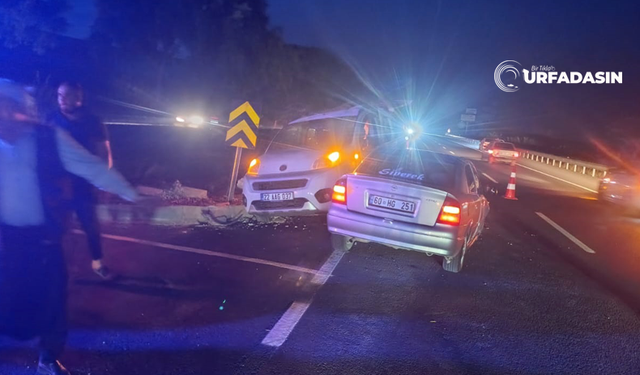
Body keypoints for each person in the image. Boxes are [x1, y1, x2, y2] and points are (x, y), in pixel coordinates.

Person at [0, 79, 138, 375]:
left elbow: (93, 166)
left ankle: (48, 359)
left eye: (9, 108)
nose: (5, 117)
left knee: (52, 301)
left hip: (44, 239)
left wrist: (132, 195)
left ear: (21, 110)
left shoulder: (49, 138)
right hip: (4, 240)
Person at [48, 82, 113, 279]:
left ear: (79, 98)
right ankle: (57, 268)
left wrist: (101, 179)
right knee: (57, 228)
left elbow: (105, 154)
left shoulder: (93, 122)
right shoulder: (51, 119)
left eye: (67, 95)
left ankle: (97, 264)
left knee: (90, 226)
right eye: (59, 95)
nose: (62, 99)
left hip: (83, 185)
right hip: (58, 185)